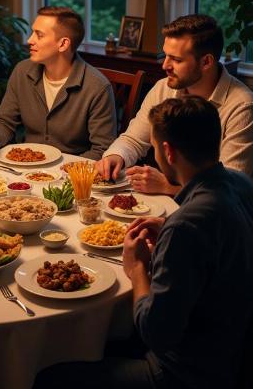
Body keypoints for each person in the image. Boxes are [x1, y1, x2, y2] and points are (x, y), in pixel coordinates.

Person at [36, 96, 253, 389]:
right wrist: (167, 227)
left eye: (152, 145)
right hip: (230, 350)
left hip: (181, 373)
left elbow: (154, 332)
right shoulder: (238, 185)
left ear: (167, 152)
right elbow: (215, 237)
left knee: (44, 373)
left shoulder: (187, 225)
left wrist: (136, 267)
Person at [97, 14, 253, 194]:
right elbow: (133, 140)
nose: (165, 65)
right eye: (165, 55)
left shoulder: (242, 106)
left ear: (206, 62)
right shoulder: (164, 88)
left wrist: (168, 187)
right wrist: (116, 156)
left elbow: (229, 188)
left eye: (176, 60)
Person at [0, 6, 116, 160]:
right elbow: (5, 120)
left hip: (71, 175)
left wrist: (64, 171)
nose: (30, 40)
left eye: (39, 35)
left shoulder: (98, 87)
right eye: (32, 32)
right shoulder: (22, 71)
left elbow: (102, 149)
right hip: (26, 169)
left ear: (63, 44)